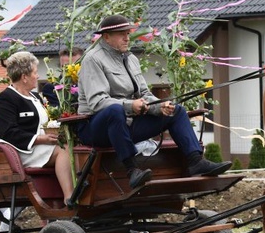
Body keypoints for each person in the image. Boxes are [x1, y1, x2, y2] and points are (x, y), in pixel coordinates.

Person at [77, 14, 231, 188]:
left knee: (177, 111)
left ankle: (196, 161)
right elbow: (97, 102)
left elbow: (144, 93)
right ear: (106, 37)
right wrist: (130, 105)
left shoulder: (131, 59)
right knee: (115, 111)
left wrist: (160, 106)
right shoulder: (93, 59)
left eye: (128, 33)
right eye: (122, 34)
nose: (127, 38)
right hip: (95, 128)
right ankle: (132, 170)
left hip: (126, 124)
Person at [0, 52, 75, 212]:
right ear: (24, 77)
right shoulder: (6, 99)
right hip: (21, 150)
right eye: (35, 72)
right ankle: (70, 198)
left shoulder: (35, 96)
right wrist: (41, 139)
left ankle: (65, 197)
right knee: (64, 149)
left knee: (74, 145)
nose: (38, 76)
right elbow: (9, 132)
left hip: (43, 145)